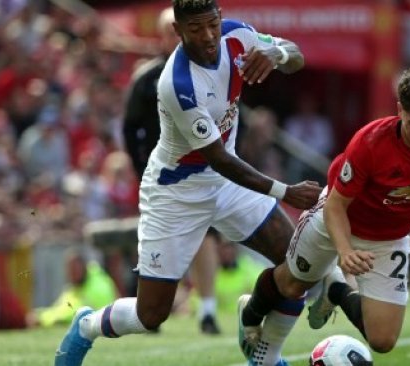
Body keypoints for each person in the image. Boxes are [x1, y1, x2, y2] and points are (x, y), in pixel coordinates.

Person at [54, 1, 321, 365]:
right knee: (150, 315)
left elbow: (297, 55)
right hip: (177, 193)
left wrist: (276, 52)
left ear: (221, 18)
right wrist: (285, 191)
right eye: (196, 29)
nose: (208, 36)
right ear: (179, 31)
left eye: (212, 24)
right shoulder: (178, 83)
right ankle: (86, 326)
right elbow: (219, 159)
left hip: (227, 183)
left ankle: (264, 353)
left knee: (299, 264)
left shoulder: (238, 34)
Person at [238, 63, 410, 364]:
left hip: (389, 237)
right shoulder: (371, 141)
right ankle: (251, 311)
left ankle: (335, 289)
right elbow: (335, 206)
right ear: (400, 110)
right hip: (336, 219)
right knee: (293, 285)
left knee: (383, 340)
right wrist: (345, 251)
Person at [121, 6, 222, 334]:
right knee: (160, 242)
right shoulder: (148, 78)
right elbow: (129, 128)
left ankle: (206, 308)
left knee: (205, 236)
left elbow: (235, 116)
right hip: (163, 177)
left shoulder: (211, 69)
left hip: (204, 171)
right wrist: (140, 169)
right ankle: (154, 307)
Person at [28, 248, 118, 328]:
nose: (71, 273)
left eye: (75, 269)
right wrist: (39, 314)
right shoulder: (76, 287)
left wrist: (42, 319)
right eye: (69, 269)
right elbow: (59, 309)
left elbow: (74, 313)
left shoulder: (98, 286)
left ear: (83, 267)